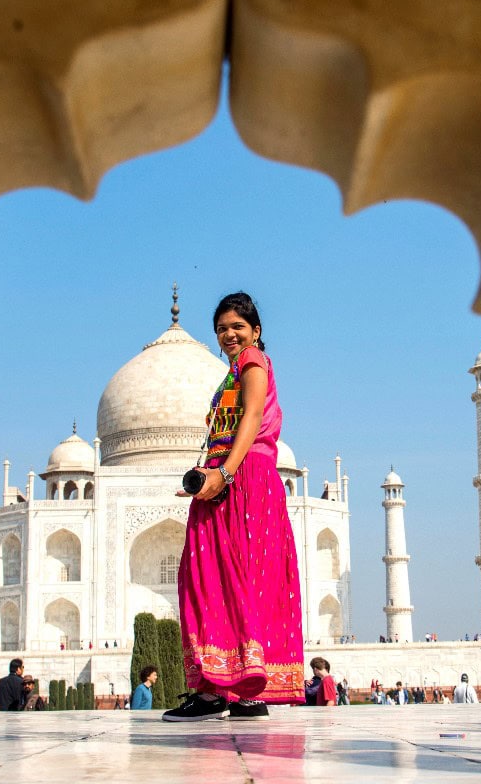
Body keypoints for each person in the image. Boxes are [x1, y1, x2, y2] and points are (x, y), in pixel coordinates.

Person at [164, 293, 304, 723]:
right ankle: (229, 691)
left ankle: (230, 692)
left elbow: (252, 417)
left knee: (237, 580)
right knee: (213, 580)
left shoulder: (253, 363)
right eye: (222, 328)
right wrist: (207, 476)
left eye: (237, 326)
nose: (229, 334)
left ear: (255, 331)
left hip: (243, 479)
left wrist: (224, 474)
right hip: (226, 478)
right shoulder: (230, 375)